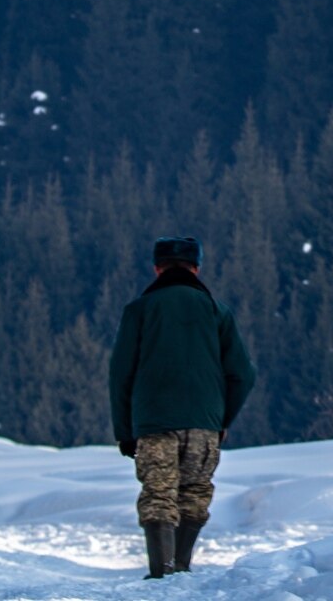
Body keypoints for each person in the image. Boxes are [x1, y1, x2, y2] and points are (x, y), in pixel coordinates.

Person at [109, 235, 257, 579]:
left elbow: (120, 374)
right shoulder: (217, 312)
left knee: (158, 495)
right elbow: (244, 374)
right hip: (204, 424)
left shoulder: (139, 310)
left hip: (154, 422)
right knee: (194, 494)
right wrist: (221, 418)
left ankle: (161, 572)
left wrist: (125, 431)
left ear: (156, 268)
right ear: (197, 268)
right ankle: (180, 567)